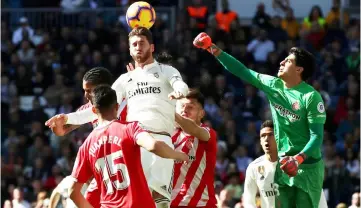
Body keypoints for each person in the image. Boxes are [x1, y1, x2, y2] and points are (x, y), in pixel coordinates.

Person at [46, 26, 189, 207]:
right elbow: (99, 107)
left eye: (142, 43)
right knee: (134, 200)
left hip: (163, 139)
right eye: (134, 44)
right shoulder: (125, 80)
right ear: (129, 50)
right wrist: (67, 118)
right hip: (137, 141)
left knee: (161, 202)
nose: (138, 47)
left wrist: (179, 92)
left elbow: (180, 84)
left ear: (152, 47)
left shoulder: (166, 71)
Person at [193, 32, 326, 208]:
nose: (281, 62)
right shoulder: (273, 85)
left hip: (307, 166)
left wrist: (299, 159)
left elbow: (317, 136)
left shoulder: (311, 97)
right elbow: (243, 71)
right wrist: (213, 48)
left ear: (299, 69)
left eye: (287, 61)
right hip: (284, 164)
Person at [68, 85, 189, 208]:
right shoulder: (130, 129)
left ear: (94, 110)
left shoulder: (86, 146)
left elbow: (72, 192)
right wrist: (179, 155)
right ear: (116, 106)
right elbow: (153, 146)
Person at [47, 67, 121, 208]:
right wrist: (58, 129)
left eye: (89, 90)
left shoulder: (121, 103)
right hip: (103, 168)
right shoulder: (87, 109)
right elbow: (65, 129)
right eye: (84, 90)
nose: (86, 95)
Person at [243, 120, 328, 208]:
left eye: (270, 135)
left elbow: (316, 195)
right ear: (260, 141)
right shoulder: (254, 167)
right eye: (263, 136)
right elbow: (248, 201)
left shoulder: (296, 164)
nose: (266, 139)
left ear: (279, 137)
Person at [171, 89, 217, 207]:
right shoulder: (171, 134)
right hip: (172, 203)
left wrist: (168, 111)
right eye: (181, 106)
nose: (184, 110)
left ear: (201, 113)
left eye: (190, 107)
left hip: (201, 204)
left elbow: (192, 129)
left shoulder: (208, 133)